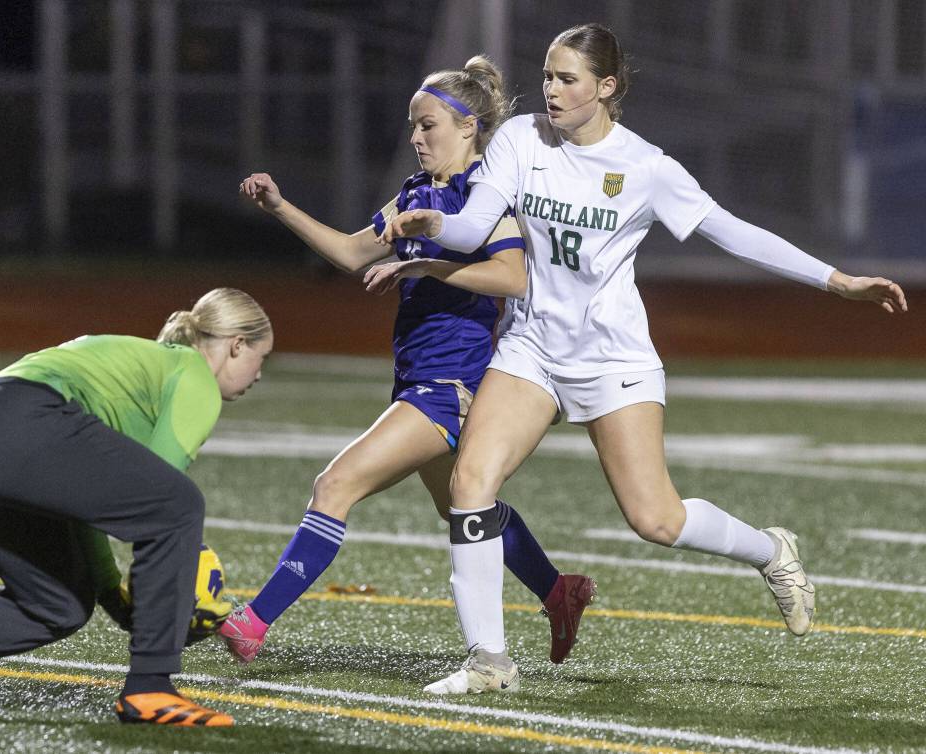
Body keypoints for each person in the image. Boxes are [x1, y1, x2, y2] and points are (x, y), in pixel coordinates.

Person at [380, 23, 908, 694]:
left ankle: (770, 550)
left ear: (605, 87)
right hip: (533, 349)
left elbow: (732, 232)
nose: (551, 90)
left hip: (611, 359)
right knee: (469, 486)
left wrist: (837, 281)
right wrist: (432, 228)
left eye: (567, 78)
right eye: (546, 76)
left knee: (655, 519)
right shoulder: (520, 139)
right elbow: (474, 225)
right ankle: (490, 662)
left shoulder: (645, 167)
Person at [220, 57, 596, 679]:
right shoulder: (416, 193)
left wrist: (425, 267)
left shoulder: (487, 193)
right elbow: (348, 252)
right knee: (464, 509)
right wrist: (281, 207)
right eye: (413, 127)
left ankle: (254, 621)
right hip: (417, 378)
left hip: (453, 386)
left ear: (468, 127)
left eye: (428, 127)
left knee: (334, 486)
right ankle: (559, 592)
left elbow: (513, 276)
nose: (416, 138)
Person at [0, 288, 274, 725]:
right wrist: (174, 598)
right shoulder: (192, 373)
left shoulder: (148, 371)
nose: (260, 373)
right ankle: (150, 687)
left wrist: (117, 601)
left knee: (56, 604)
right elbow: (160, 503)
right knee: (179, 503)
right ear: (236, 346)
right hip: (18, 424)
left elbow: (92, 503)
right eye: (261, 357)